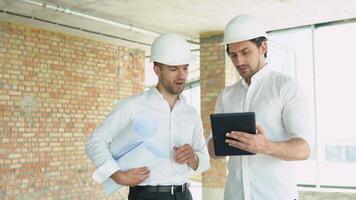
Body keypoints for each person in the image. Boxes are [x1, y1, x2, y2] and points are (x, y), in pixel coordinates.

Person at [86, 33, 210, 200]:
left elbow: (204, 160)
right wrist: (118, 175)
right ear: (157, 70)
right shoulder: (133, 106)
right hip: (147, 196)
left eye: (185, 67)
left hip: (184, 195)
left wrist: (193, 158)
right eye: (173, 68)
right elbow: (96, 141)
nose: (181, 75)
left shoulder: (190, 113)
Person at [207, 15, 314, 200]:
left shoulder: (286, 86)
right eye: (233, 55)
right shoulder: (227, 94)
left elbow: (304, 149)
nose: (239, 61)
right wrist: (219, 143)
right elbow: (212, 151)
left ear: (263, 47)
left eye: (245, 52)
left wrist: (266, 146)